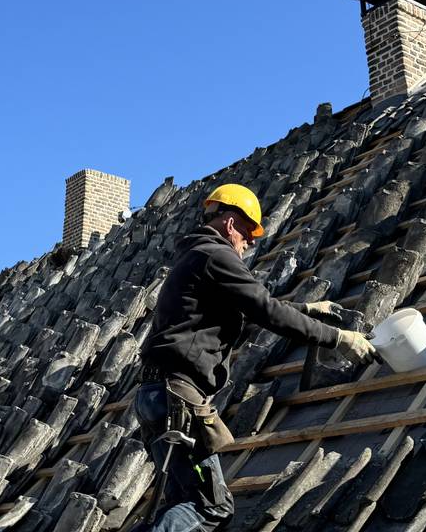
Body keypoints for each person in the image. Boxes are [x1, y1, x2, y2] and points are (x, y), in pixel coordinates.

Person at [132, 183, 377, 531]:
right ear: (231, 224)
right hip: (177, 397)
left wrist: (304, 308)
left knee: (182, 503)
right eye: (248, 234)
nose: (249, 244)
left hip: (157, 395)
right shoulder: (217, 255)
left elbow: (245, 310)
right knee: (209, 508)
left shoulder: (196, 256)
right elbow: (264, 309)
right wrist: (337, 338)